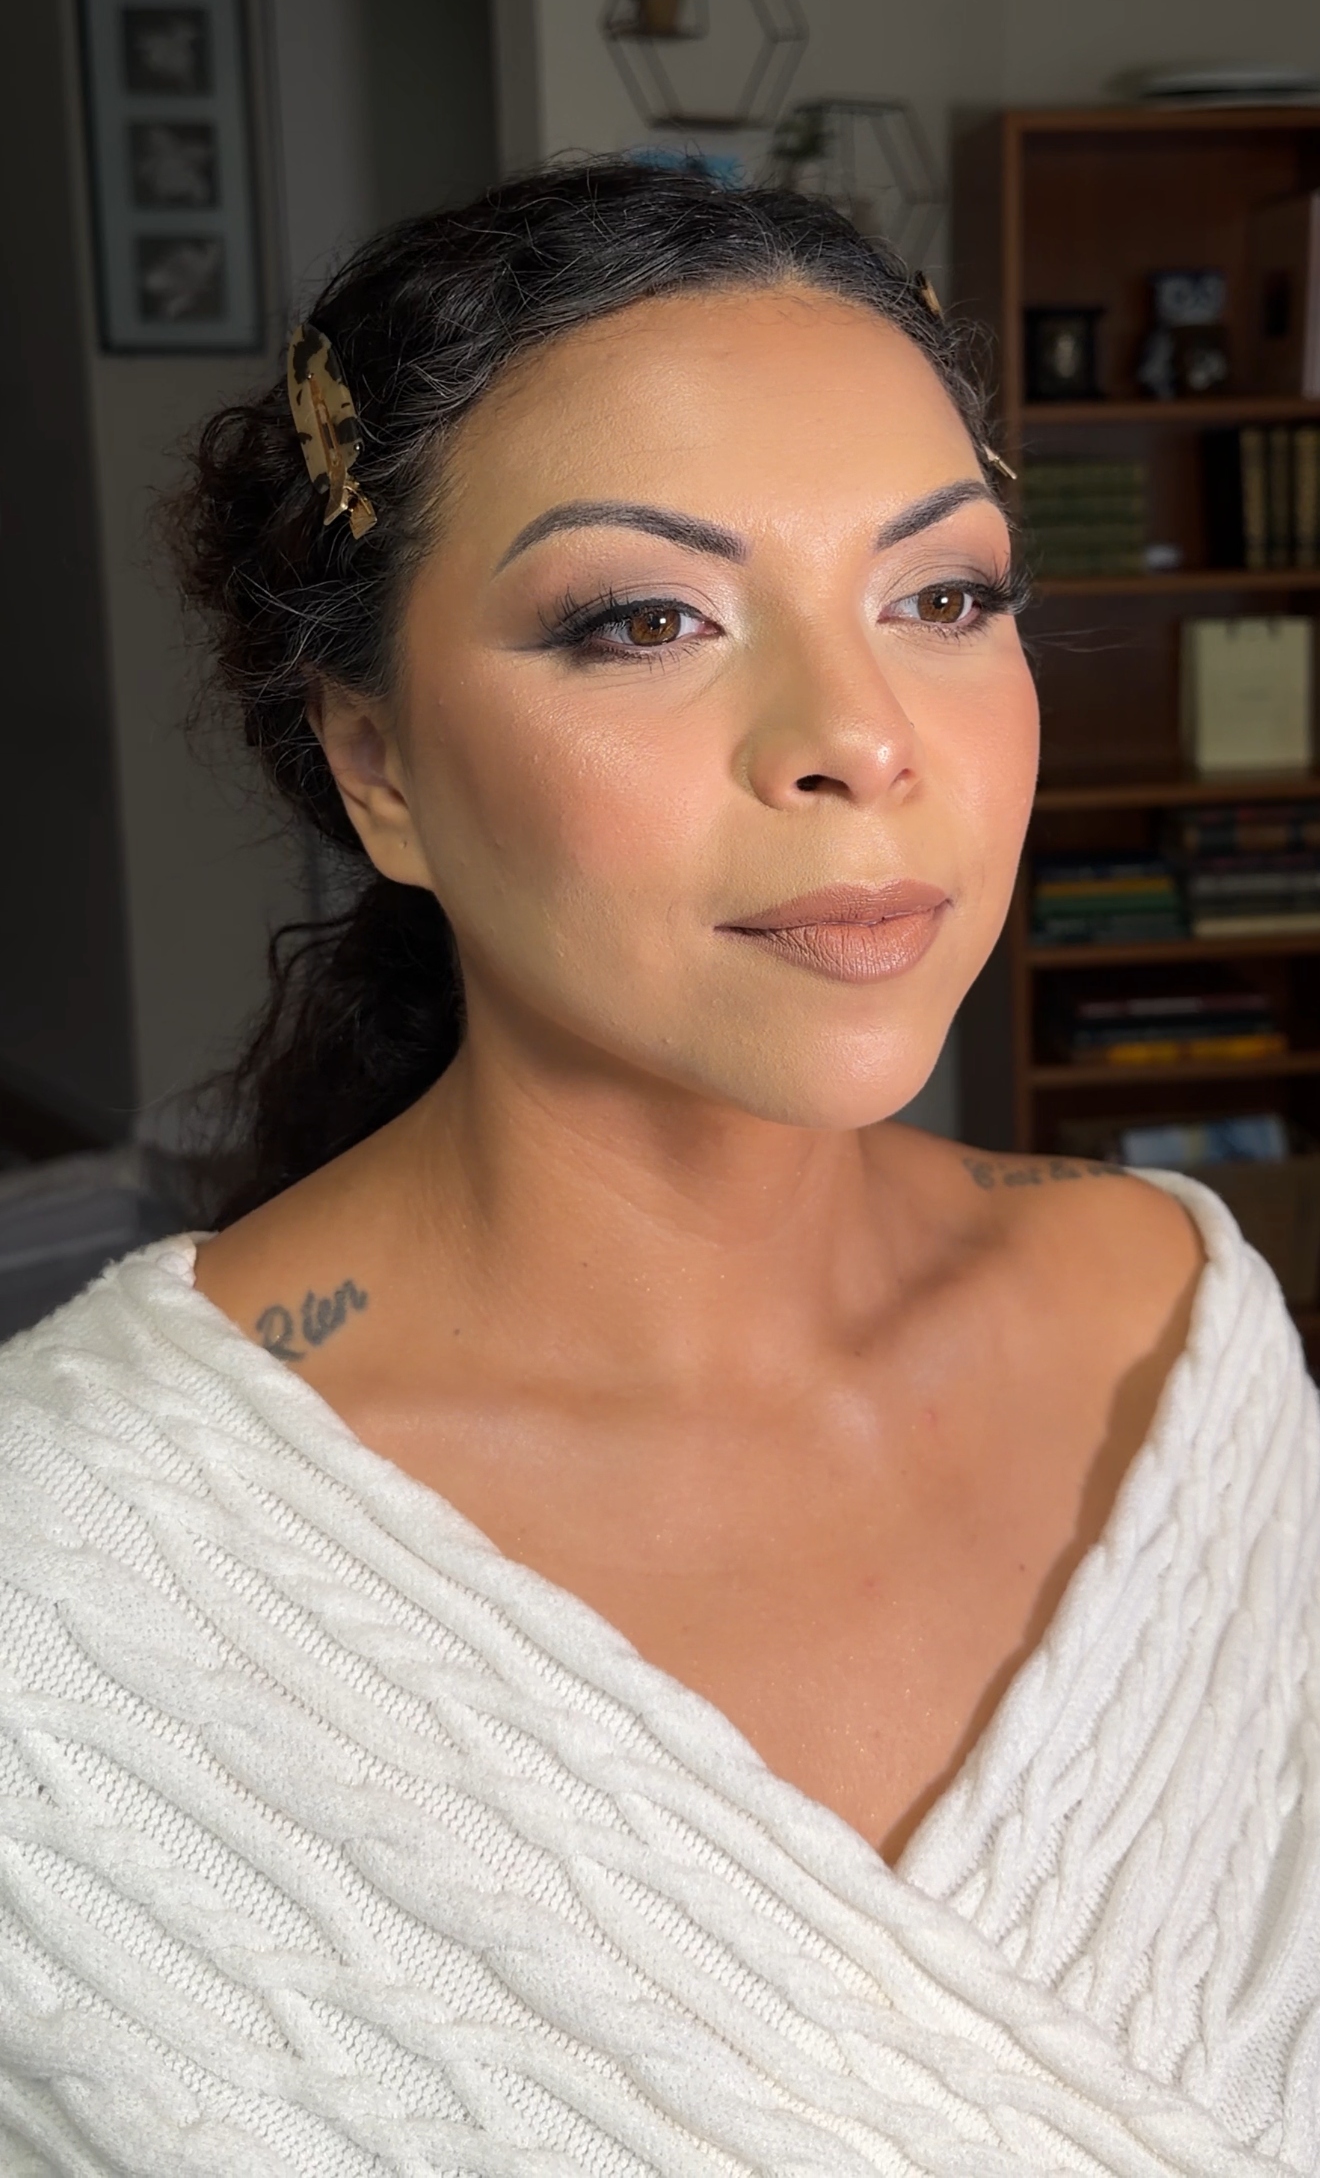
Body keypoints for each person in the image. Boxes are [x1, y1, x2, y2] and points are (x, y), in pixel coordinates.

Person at [0, 164, 1314, 2178]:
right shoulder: (64, 1575)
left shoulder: (1180, 1319)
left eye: (945, 597)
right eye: (645, 619)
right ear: (376, 766)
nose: (861, 737)